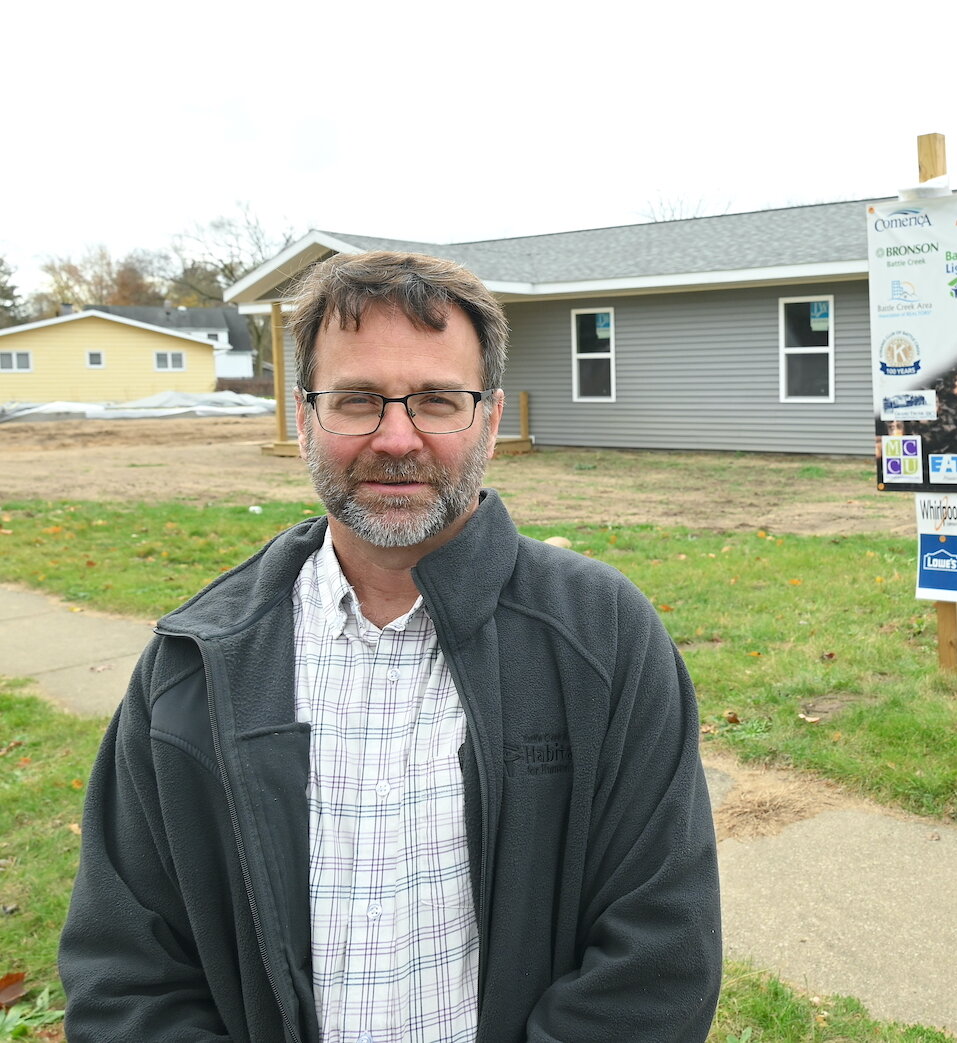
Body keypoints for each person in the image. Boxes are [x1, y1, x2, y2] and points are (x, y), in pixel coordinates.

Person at [59, 251, 722, 1042]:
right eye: (358, 399)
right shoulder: (193, 668)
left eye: (439, 400)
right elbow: (126, 975)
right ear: (305, 416)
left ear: (492, 418)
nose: (397, 437)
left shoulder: (603, 640)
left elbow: (658, 956)